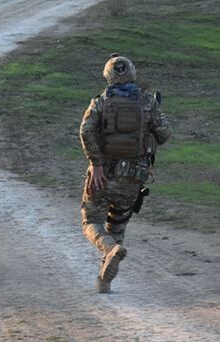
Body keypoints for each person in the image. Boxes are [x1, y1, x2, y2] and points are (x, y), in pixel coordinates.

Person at [79, 54, 170, 293]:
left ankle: (109, 249)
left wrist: (96, 164)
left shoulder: (101, 101)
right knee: (117, 226)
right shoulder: (148, 102)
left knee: (91, 220)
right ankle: (105, 280)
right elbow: (164, 134)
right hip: (133, 178)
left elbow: (86, 131)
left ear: (108, 75)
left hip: (102, 175)